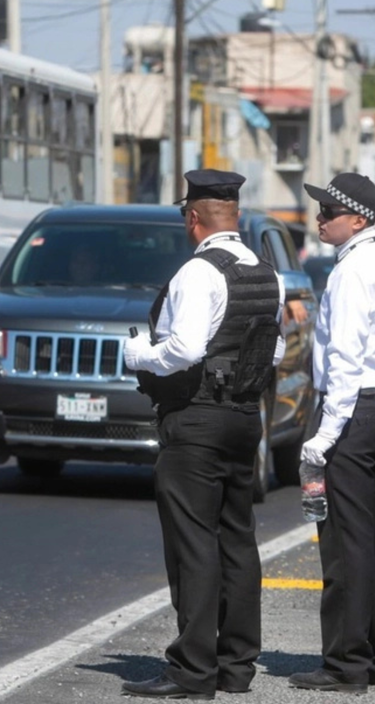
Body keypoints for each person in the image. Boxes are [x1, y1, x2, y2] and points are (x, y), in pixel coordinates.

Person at [121, 169, 286, 700]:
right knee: (237, 540)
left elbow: (186, 348)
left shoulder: (198, 272)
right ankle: (236, 667)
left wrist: (139, 354)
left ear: (193, 218)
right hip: (244, 417)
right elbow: (275, 349)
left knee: (193, 545)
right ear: (233, 216)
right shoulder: (267, 273)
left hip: (196, 418)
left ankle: (192, 670)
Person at [290, 172, 375, 693]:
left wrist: (325, 435)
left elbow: (345, 358)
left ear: (359, 219)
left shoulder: (350, 271)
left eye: (329, 211)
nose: (319, 219)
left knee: (347, 543)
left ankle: (346, 664)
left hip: (354, 411)